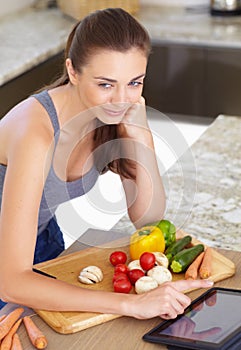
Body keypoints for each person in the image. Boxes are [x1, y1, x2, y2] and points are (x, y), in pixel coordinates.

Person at [0, 8, 212, 317]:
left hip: (40, 245)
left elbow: (147, 219)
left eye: (135, 82)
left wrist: (141, 135)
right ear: (73, 72)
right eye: (105, 84)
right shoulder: (36, 133)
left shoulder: (110, 115)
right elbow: (11, 283)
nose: (122, 99)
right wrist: (130, 304)